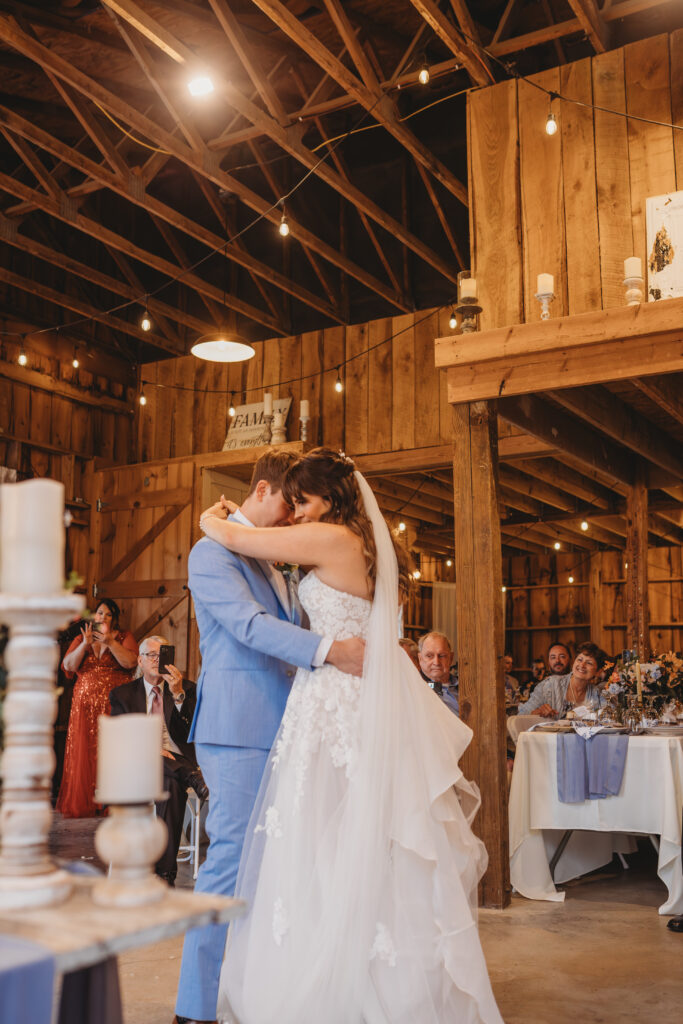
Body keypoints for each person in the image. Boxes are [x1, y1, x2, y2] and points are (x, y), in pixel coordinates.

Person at [200, 448, 502, 1024]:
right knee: (349, 839)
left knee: (328, 836)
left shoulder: (332, 539)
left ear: (330, 499)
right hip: (346, 696)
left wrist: (211, 521)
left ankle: (340, 978)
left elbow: (240, 541)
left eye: (303, 501)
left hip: (336, 696)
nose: (295, 514)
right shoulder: (358, 544)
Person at [174, 449, 365, 1024]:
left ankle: (252, 992)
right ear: (261, 490)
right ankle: (195, 1006)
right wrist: (329, 650)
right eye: (288, 502)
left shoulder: (266, 559)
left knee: (275, 865)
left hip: (287, 725)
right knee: (229, 862)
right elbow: (248, 627)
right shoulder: (212, 553)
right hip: (238, 727)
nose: (292, 517)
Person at [109, 635, 207, 886]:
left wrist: (178, 697)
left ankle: (164, 875)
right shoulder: (122, 694)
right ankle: (190, 775)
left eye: (162, 654)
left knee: (172, 787)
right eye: (151, 655)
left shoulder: (187, 689)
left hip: (169, 768)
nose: (156, 660)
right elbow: (125, 737)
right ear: (140, 661)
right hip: (138, 762)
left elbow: (190, 735)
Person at [56, 599, 138, 818]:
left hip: (115, 704)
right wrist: (84, 643)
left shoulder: (123, 637)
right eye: (99, 613)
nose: (103, 617)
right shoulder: (79, 639)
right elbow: (68, 666)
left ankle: (113, 802)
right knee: (84, 751)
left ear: (114, 618)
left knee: (112, 751)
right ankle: (85, 802)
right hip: (84, 707)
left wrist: (111, 643)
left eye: (108, 614)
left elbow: (131, 662)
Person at [518, 641, 607, 718]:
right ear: (574, 662)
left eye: (589, 663)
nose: (582, 665)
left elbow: (608, 720)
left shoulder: (597, 695)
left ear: (598, 672)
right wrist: (537, 713)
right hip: (551, 738)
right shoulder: (550, 685)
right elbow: (521, 715)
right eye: (579, 659)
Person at [417, 630, 460, 717]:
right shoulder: (416, 690)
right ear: (420, 659)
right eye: (429, 656)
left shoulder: (468, 686)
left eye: (442, 656)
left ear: (451, 658)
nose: (436, 662)